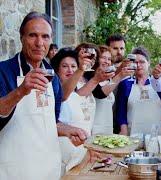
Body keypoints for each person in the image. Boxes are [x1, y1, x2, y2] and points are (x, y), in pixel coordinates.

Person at [0, 12, 86, 180]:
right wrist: (21, 91)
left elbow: (49, 121)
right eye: (33, 35)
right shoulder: (3, 71)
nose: (39, 43)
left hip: (48, 168)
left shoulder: (52, 77)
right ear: (22, 37)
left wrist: (68, 130)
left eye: (45, 37)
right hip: (16, 169)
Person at [116, 46, 161, 136]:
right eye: (135, 62)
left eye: (142, 62)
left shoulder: (159, 83)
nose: (138, 65)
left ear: (149, 63)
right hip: (133, 134)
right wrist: (124, 131)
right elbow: (121, 112)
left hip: (159, 135)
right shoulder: (125, 84)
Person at [92, 45, 133, 135]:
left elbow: (112, 78)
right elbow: (101, 93)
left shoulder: (107, 80)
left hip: (108, 130)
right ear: (96, 59)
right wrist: (120, 75)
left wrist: (122, 66)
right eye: (103, 58)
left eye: (109, 59)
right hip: (93, 130)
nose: (107, 61)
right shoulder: (91, 78)